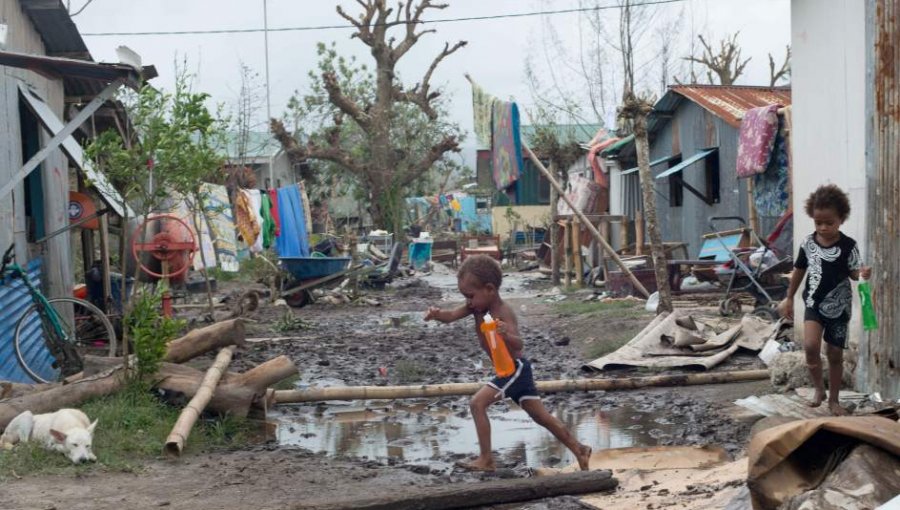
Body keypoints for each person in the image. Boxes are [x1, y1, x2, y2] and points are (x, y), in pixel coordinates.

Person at [424, 254, 592, 471]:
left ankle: (486, 459)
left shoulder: (502, 312)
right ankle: (580, 449)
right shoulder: (476, 308)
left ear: (490, 289)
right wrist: (436, 315)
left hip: (514, 369)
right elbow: (450, 315)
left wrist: (505, 334)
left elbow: (519, 343)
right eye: (465, 296)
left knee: (477, 404)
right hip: (514, 371)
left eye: (470, 295)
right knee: (542, 417)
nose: (468, 301)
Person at [779, 184, 871, 416]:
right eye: (818, 223)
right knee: (810, 347)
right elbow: (799, 271)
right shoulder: (808, 244)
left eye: (829, 222)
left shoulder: (848, 245)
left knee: (835, 355)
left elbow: (853, 273)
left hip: (840, 308)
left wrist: (862, 274)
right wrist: (789, 298)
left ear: (841, 219)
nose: (823, 227)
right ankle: (819, 389)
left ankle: (834, 400)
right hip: (814, 303)